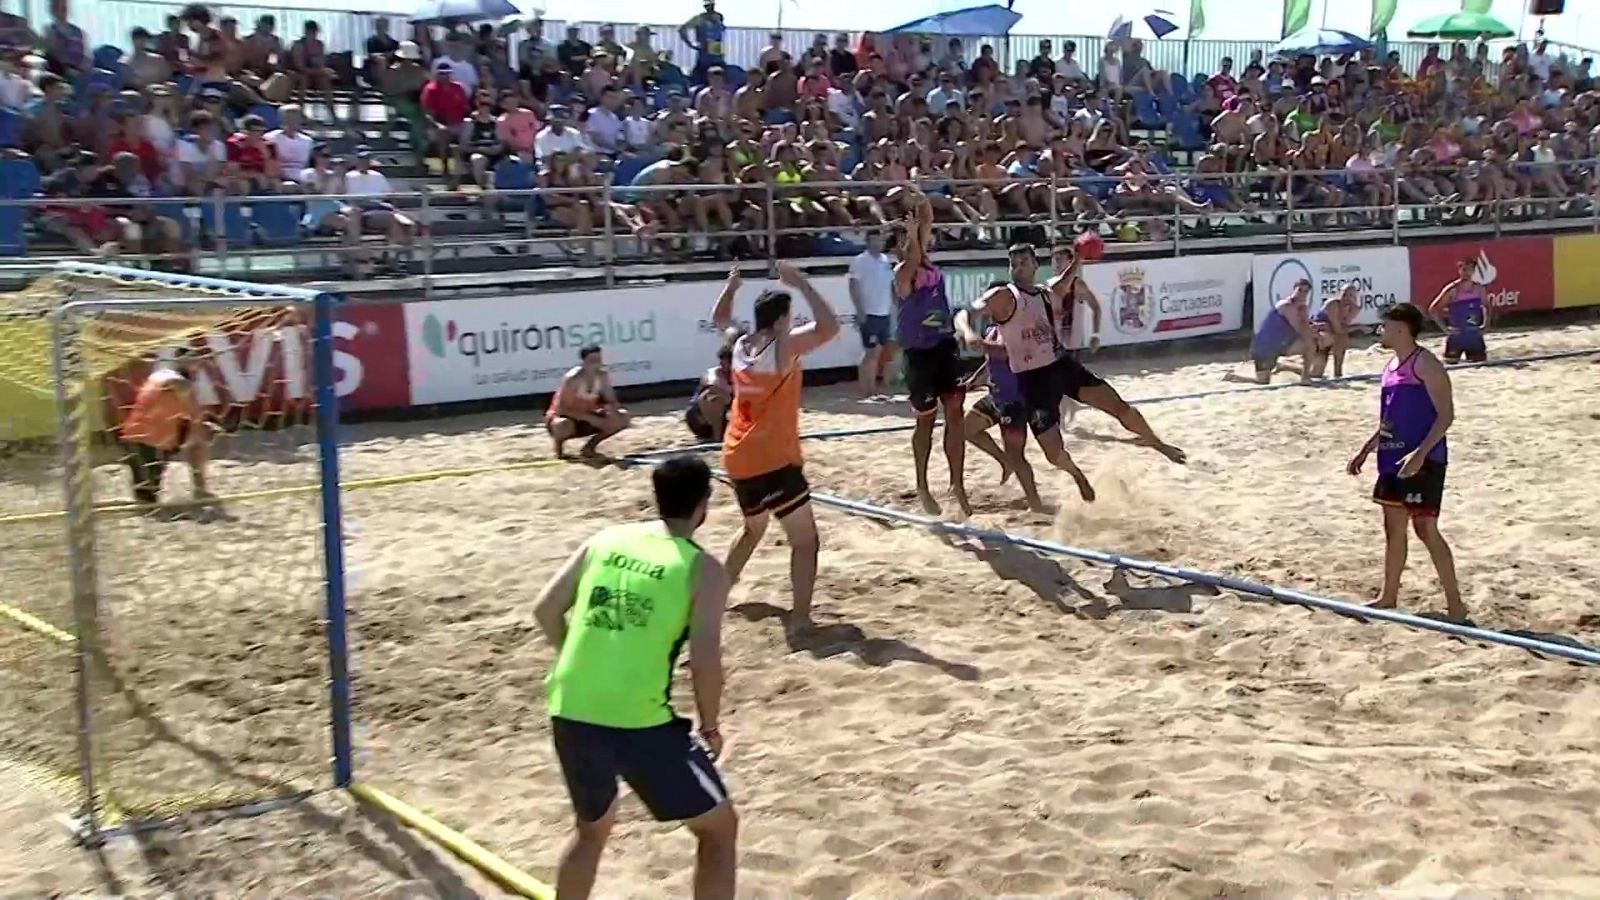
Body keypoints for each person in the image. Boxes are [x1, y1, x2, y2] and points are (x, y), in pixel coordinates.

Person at [534, 454, 737, 900]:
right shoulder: (703, 569)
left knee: (592, 831)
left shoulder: (607, 539)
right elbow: (704, 659)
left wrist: (582, 660)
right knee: (719, 828)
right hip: (639, 721)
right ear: (704, 505)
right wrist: (710, 726)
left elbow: (546, 610)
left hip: (569, 703)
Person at [713, 264, 839, 638]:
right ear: (782, 319)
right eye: (789, 316)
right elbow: (830, 327)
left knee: (753, 528)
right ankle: (800, 619)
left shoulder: (739, 344)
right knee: (805, 541)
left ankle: (717, 594)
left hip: (737, 455)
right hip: (773, 458)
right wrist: (801, 282)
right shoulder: (782, 347)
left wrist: (731, 287)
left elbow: (719, 317)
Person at [1347, 303, 1464, 621]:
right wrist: (1368, 447)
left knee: (1426, 528)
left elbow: (1446, 416)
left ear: (1401, 328)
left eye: (1384, 326)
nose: (1380, 331)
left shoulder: (1426, 363)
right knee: (1392, 529)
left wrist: (1421, 453)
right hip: (1391, 459)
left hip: (1424, 459)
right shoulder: (1390, 367)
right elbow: (1390, 418)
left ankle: (1455, 603)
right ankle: (1388, 597)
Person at [1035, 244, 1188, 464]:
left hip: (1070, 349)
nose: (1057, 264)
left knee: (1105, 401)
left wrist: (1096, 333)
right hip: (1052, 353)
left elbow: (1096, 307)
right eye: (1054, 260)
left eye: (1061, 260)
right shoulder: (1050, 287)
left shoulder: (1078, 285)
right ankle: (1066, 422)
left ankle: (1157, 443)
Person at [953, 282, 1091, 510]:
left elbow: (1004, 351)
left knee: (1049, 455)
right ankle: (1004, 462)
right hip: (997, 395)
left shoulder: (1017, 329)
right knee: (966, 429)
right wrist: (974, 380)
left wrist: (979, 343)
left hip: (1019, 399)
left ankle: (1072, 477)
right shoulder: (992, 328)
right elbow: (991, 360)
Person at [894, 197, 970, 516]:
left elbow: (926, 219)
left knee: (955, 413)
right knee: (925, 422)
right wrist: (912, 235)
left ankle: (957, 483)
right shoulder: (902, 273)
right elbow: (913, 254)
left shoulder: (927, 264)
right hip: (919, 353)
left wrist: (922, 198)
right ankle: (923, 486)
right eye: (908, 240)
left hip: (942, 345)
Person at [118, 350, 214, 506]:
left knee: (149, 495)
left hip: (158, 443)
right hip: (141, 439)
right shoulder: (164, 375)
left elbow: (195, 420)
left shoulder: (184, 391)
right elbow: (176, 384)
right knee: (146, 496)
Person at [545, 345, 632, 458]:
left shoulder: (602, 375)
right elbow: (563, 409)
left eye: (598, 360)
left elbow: (612, 401)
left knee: (623, 417)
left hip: (587, 414)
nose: (596, 364)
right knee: (562, 424)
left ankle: (589, 447)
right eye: (592, 360)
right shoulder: (573, 378)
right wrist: (592, 419)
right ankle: (559, 451)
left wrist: (613, 412)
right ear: (584, 361)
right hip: (566, 417)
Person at [847, 228, 897, 398]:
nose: (878, 243)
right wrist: (860, 310)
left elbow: (890, 286)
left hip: (884, 311)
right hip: (869, 312)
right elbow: (853, 286)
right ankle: (864, 389)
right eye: (874, 240)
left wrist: (895, 304)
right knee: (870, 351)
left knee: (878, 351)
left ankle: (872, 389)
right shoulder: (859, 261)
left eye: (880, 240)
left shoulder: (884, 260)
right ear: (867, 242)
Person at [1248, 278, 1317, 383]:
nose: (1302, 294)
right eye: (1300, 290)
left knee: (1310, 344)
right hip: (1265, 347)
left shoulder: (1301, 307)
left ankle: (1305, 377)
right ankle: (1234, 377)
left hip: (1281, 344)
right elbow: (1300, 329)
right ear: (1294, 289)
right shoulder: (1286, 305)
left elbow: (1305, 328)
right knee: (1263, 382)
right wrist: (1316, 334)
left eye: (1305, 292)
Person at [1427, 257, 1491, 365]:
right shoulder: (1453, 289)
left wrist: (1485, 325)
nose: (1466, 273)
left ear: (1474, 271)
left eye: (1469, 269)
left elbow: (1488, 307)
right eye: (1463, 269)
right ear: (1459, 270)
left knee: (1480, 366)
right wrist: (1445, 329)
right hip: (1457, 337)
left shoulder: (1479, 289)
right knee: (1451, 366)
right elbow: (1433, 309)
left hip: (1474, 336)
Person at [1308, 282, 1361, 378]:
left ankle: (1338, 371)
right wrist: (1359, 327)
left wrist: (1352, 313)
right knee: (1315, 374)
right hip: (1319, 334)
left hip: (1329, 333)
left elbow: (1343, 327)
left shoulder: (1353, 308)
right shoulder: (1333, 304)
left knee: (1342, 338)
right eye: (1344, 294)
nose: (1346, 298)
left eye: (1350, 295)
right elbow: (1338, 329)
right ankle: (1286, 367)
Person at [686, 339, 735, 441]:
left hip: (724, 420)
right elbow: (714, 386)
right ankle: (717, 437)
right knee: (714, 397)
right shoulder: (714, 374)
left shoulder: (738, 375)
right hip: (699, 419)